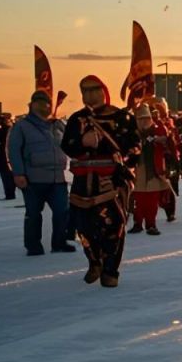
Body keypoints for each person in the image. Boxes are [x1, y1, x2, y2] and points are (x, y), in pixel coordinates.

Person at [61, 76, 139, 286]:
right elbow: (67, 146)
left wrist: (121, 162)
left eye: (94, 89)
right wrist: (82, 142)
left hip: (111, 180)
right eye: (84, 90)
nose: (89, 94)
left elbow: (135, 148)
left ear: (103, 90)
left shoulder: (123, 117)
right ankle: (95, 261)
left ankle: (110, 270)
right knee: (83, 225)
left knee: (114, 226)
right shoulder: (77, 119)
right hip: (83, 181)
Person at [7, 90, 75, 255]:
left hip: (57, 177)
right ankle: (33, 245)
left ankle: (59, 242)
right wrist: (18, 173)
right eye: (41, 103)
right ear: (32, 105)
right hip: (33, 178)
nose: (45, 106)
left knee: (62, 211)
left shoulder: (57, 125)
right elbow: (14, 150)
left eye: (47, 103)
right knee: (33, 213)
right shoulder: (21, 126)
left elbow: (70, 143)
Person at [131, 102, 178, 236]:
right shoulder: (133, 134)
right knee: (138, 200)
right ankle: (137, 223)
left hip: (155, 171)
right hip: (139, 171)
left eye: (146, 118)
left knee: (152, 201)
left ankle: (151, 224)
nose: (144, 122)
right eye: (141, 119)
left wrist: (161, 140)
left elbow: (167, 144)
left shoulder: (157, 130)